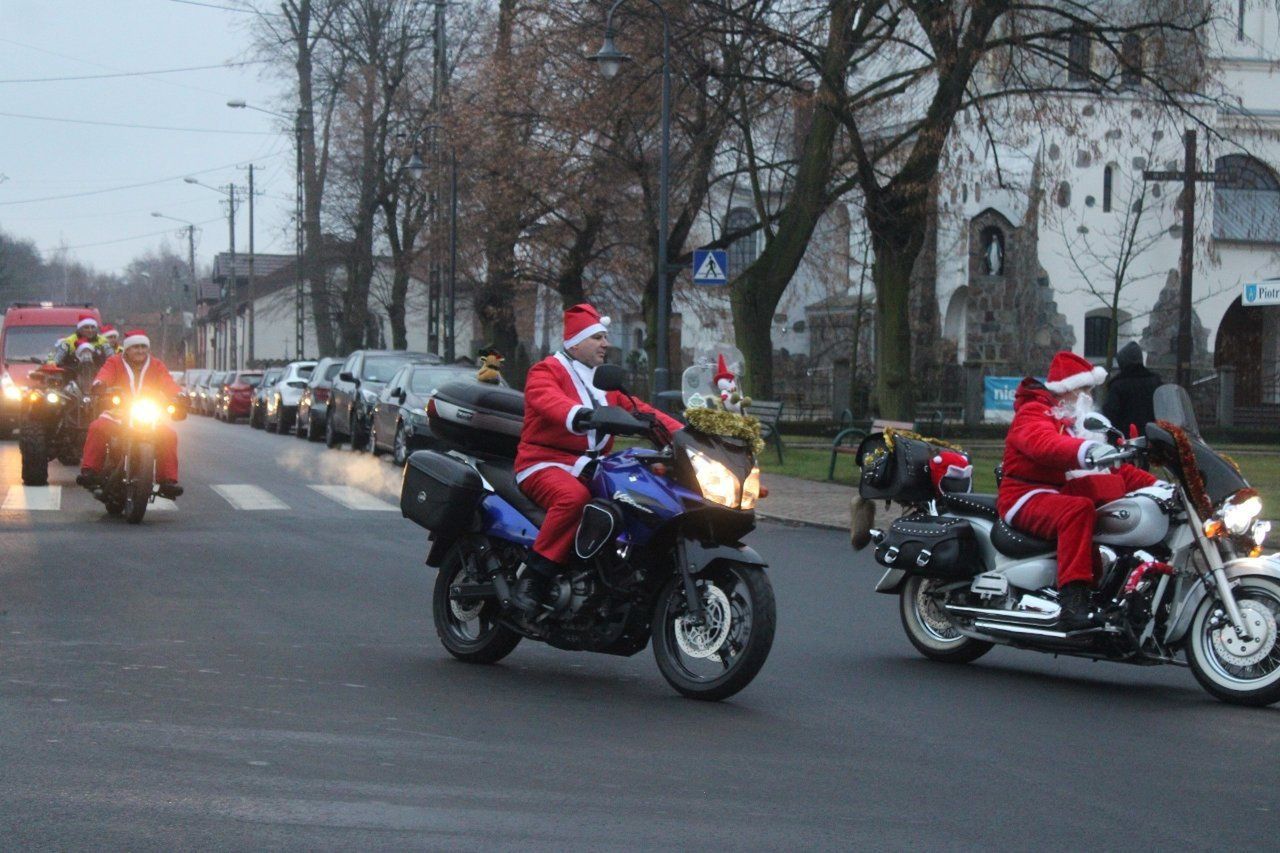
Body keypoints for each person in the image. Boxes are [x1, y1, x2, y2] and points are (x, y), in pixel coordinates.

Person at [512, 303, 683, 612]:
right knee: (573, 499)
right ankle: (534, 578)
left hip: (590, 465)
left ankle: (610, 574)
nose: (606, 344)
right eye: (598, 338)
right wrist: (584, 415)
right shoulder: (546, 370)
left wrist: (685, 434)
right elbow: (547, 400)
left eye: (605, 338)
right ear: (576, 341)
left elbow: (641, 410)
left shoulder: (602, 383)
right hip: (543, 462)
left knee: (638, 496)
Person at [997, 351, 1158, 630]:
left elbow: (1115, 470)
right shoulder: (1034, 412)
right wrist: (1087, 450)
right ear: (1066, 389)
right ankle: (1073, 601)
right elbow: (1044, 444)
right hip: (1026, 494)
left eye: (1091, 389)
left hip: (1061, 492)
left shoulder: (1079, 424)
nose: (1088, 396)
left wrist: (1159, 486)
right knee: (1078, 510)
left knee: (1113, 509)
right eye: (1083, 388)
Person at [76, 329, 185, 499]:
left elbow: (168, 382)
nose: (140, 351)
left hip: (148, 413)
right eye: (136, 347)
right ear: (127, 349)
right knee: (97, 427)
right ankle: (90, 471)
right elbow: (104, 375)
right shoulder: (114, 362)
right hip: (120, 413)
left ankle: (167, 481)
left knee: (169, 435)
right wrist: (100, 384)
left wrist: (179, 395)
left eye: (143, 347)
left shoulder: (156, 365)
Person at [1101, 341, 1162, 437]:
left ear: (1123, 361)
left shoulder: (1118, 385)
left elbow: (1110, 414)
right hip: (1154, 438)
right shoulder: (1156, 382)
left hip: (1125, 441)